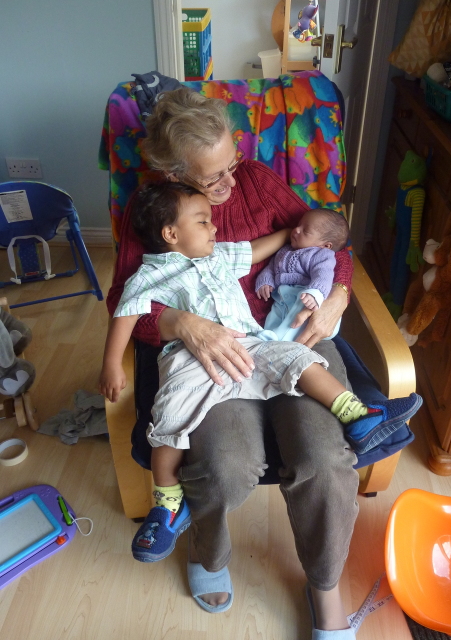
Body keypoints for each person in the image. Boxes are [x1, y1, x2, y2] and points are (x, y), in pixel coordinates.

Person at [105, 86, 385, 639]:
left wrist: (338, 295)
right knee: (224, 467)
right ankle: (207, 551)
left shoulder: (256, 179)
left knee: (324, 460)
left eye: (231, 163)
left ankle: (325, 585)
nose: (231, 184)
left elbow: (329, 239)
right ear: (175, 173)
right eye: (213, 179)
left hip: (288, 337)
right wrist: (180, 323)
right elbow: (127, 299)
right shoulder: (158, 210)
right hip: (210, 356)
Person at [99, 182, 421, 564]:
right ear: (171, 234)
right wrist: (111, 364)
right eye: (203, 221)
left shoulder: (218, 254)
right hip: (191, 359)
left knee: (298, 358)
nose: (214, 227)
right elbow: (125, 316)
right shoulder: (146, 275)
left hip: (252, 343)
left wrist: (291, 233)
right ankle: (167, 504)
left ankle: (357, 416)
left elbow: (254, 250)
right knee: (169, 416)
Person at [255, 207, 350, 342]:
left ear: (326, 245)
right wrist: (265, 280)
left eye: (305, 231)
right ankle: (268, 333)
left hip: (309, 298)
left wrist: (315, 293)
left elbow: (323, 275)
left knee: (298, 310)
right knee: (275, 314)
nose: (296, 230)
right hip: (283, 298)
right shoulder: (285, 250)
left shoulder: (322, 255)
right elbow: (272, 267)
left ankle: (276, 340)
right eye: (298, 225)